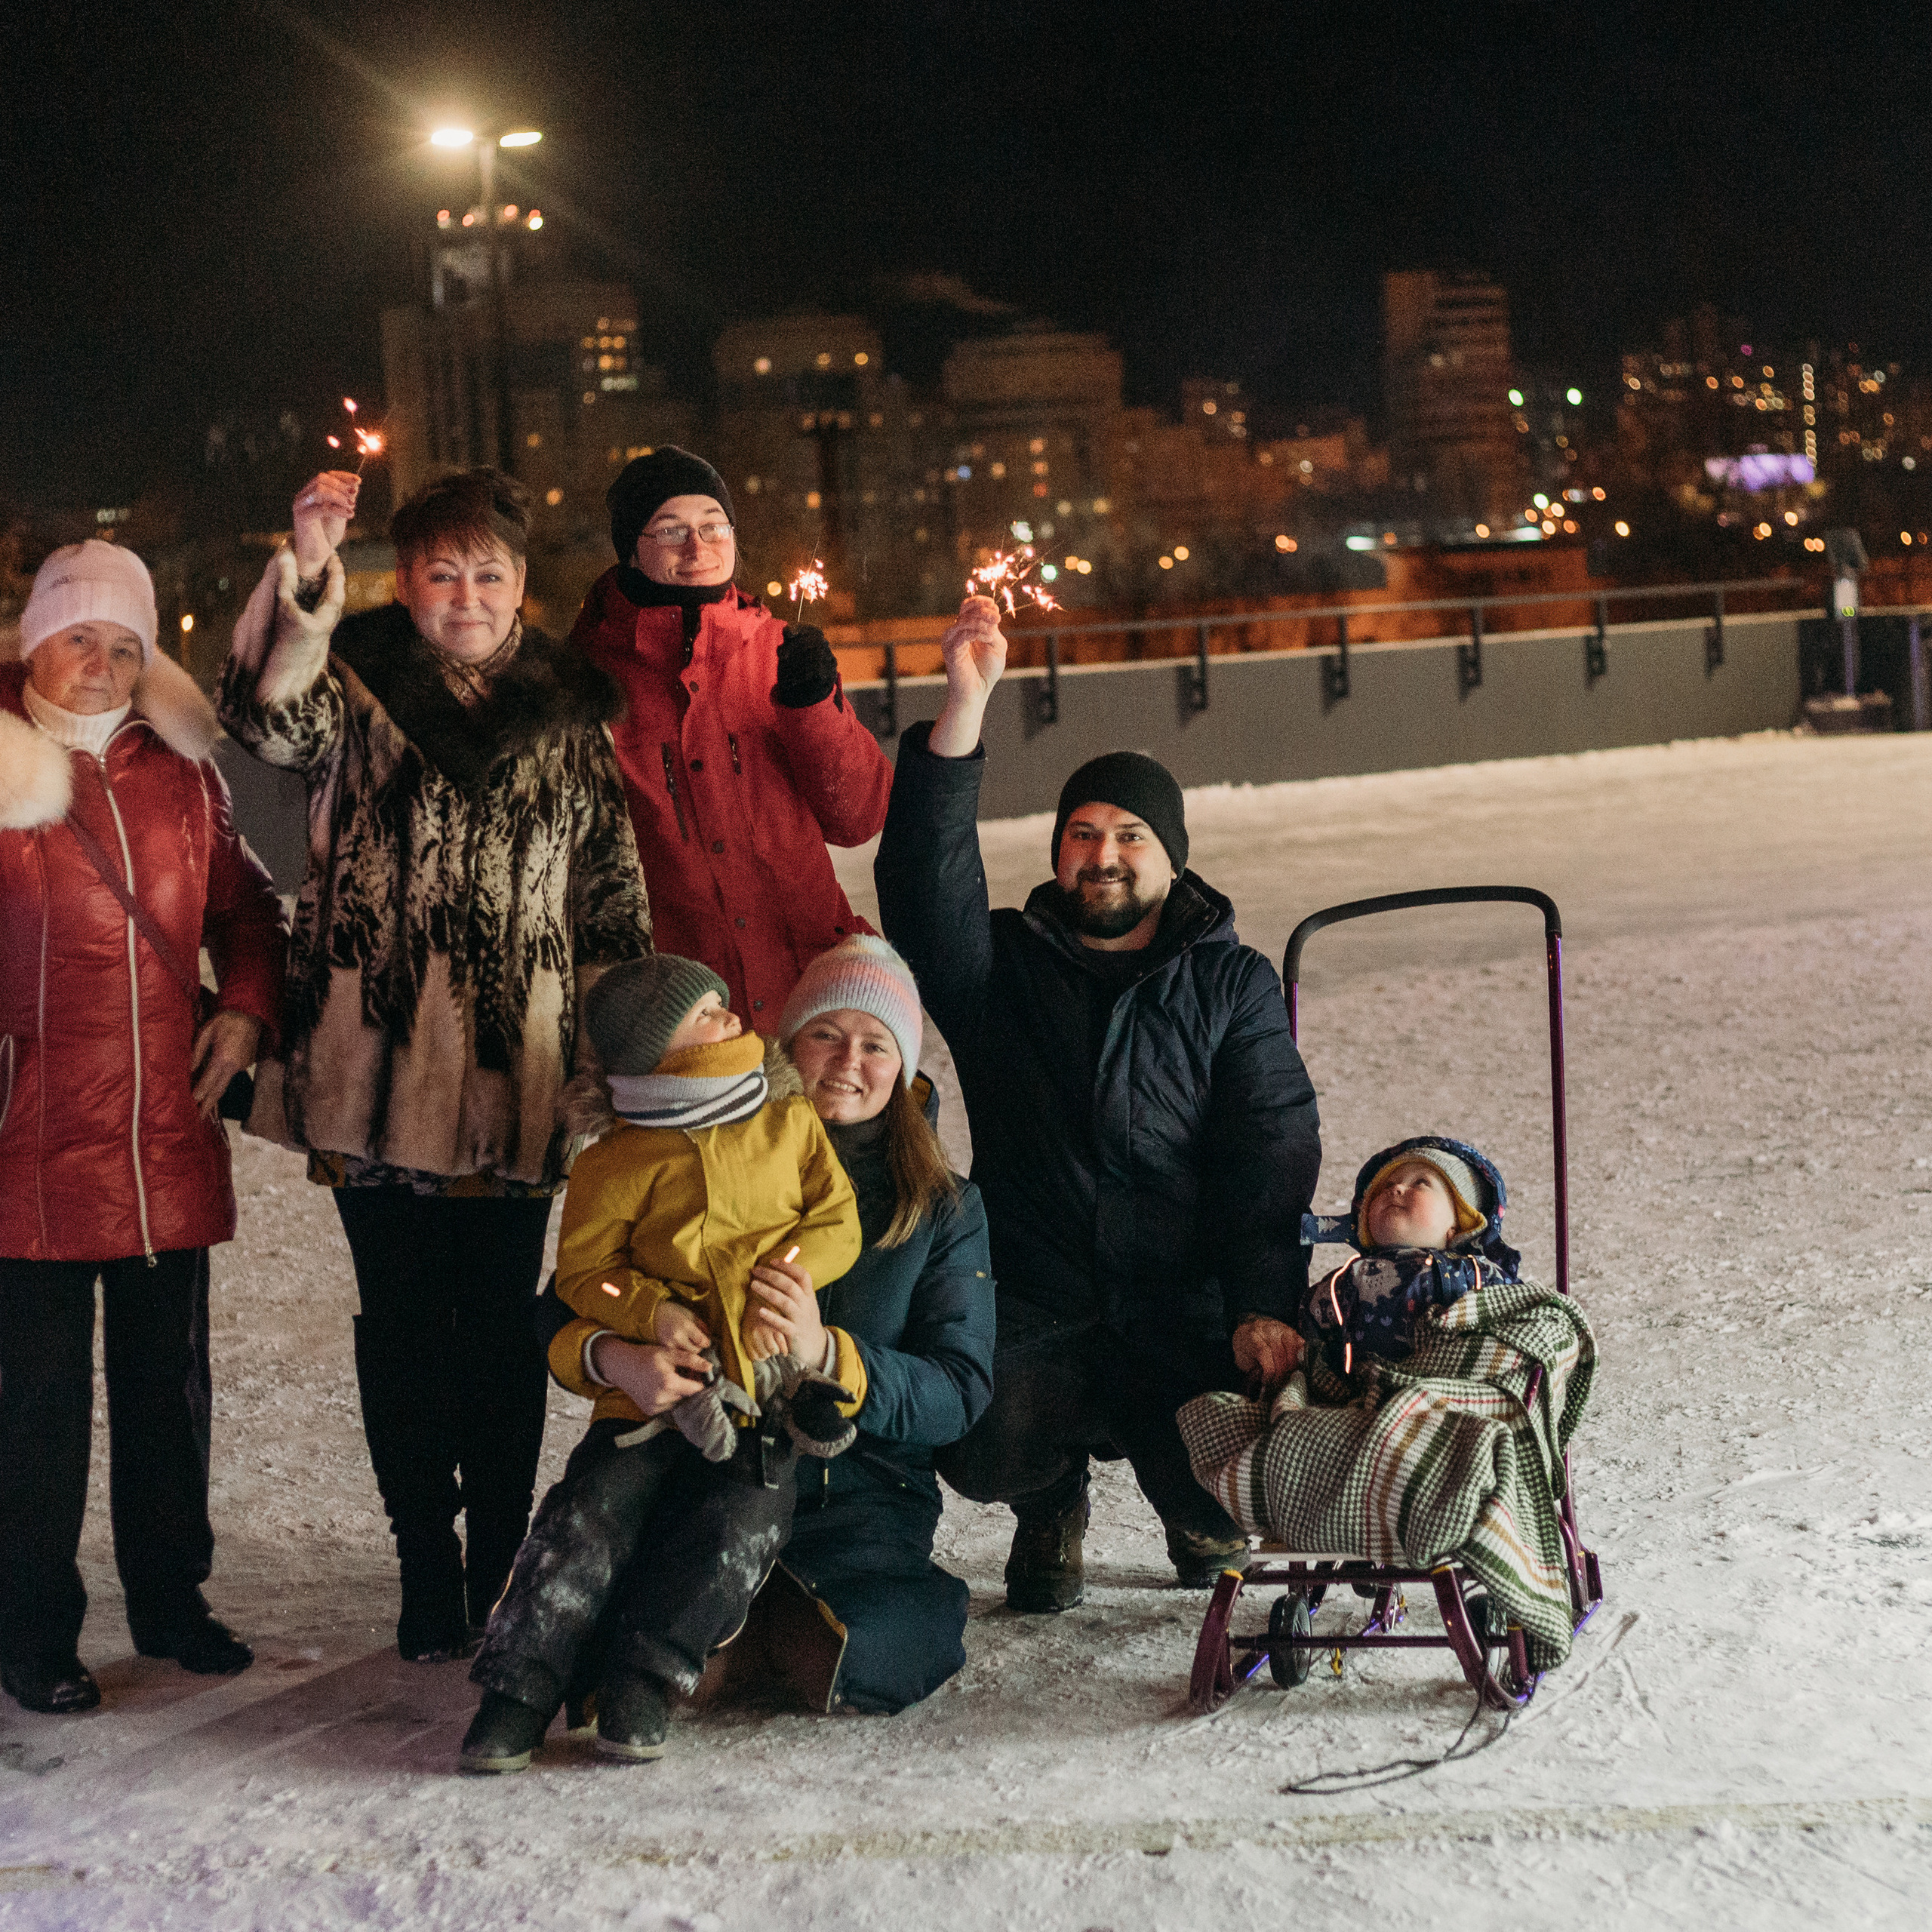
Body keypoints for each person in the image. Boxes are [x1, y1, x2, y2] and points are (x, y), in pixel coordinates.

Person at [217, 466, 651, 1663]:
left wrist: (621, 1048)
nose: (465, 594)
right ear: (404, 583)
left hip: (522, 1074)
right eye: (441, 572)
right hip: (374, 1067)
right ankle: (423, 1554)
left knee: (506, 1329)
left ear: (523, 584)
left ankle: (501, 1555)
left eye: (490, 572)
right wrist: (308, 569)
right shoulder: (355, 681)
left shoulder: (567, 709)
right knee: (402, 1328)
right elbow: (263, 718)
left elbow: (610, 894)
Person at [874, 595, 1322, 1611]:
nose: (1105, 854)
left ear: (1172, 856)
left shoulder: (1231, 981)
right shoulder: (1001, 971)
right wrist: (965, 707)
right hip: (1038, 1296)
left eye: (1130, 835)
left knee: (1225, 1491)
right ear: (1058, 851)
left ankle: (1189, 1504)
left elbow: (1272, 1149)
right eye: (1083, 833)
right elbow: (919, 881)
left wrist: (1258, 1301)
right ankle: (1050, 1500)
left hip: (1183, 1297)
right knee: (981, 1437)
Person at [0, 540, 287, 1714]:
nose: (103, 665)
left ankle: (171, 1600)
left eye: (125, 645)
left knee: (167, 1393)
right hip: (25, 1143)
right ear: (34, 644)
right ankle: (30, 1628)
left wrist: (249, 1012)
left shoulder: (180, 775)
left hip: (165, 1132)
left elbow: (247, 911)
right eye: (81, 639)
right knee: (35, 1408)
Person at [460, 953, 863, 1771]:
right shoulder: (615, 1157)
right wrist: (649, 1312)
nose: (729, 1015)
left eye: (721, 1001)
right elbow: (583, 1272)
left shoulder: (785, 1120)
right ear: (656, 1054)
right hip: (645, 1402)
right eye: (705, 1013)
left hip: (757, 1393)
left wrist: (782, 1276)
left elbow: (836, 1221)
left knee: (736, 1527)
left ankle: (649, 1676)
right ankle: (518, 1688)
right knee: (586, 1517)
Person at [570, 446, 893, 1026]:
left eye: (713, 526)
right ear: (630, 549)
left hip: (811, 996)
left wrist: (814, 706)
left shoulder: (780, 651)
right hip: (683, 1016)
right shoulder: (585, 678)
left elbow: (859, 818)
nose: (698, 548)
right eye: (670, 530)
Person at [1300, 1138, 1519, 1374]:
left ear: (1459, 1223)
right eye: (1385, 1187)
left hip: (1456, 1388)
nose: (1396, 1189)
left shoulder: (1480, 1274)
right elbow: (1308, 1338)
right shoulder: (1342, 1282)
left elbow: (1522, 1320)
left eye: (1421, 1183)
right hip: (1368, 1393)